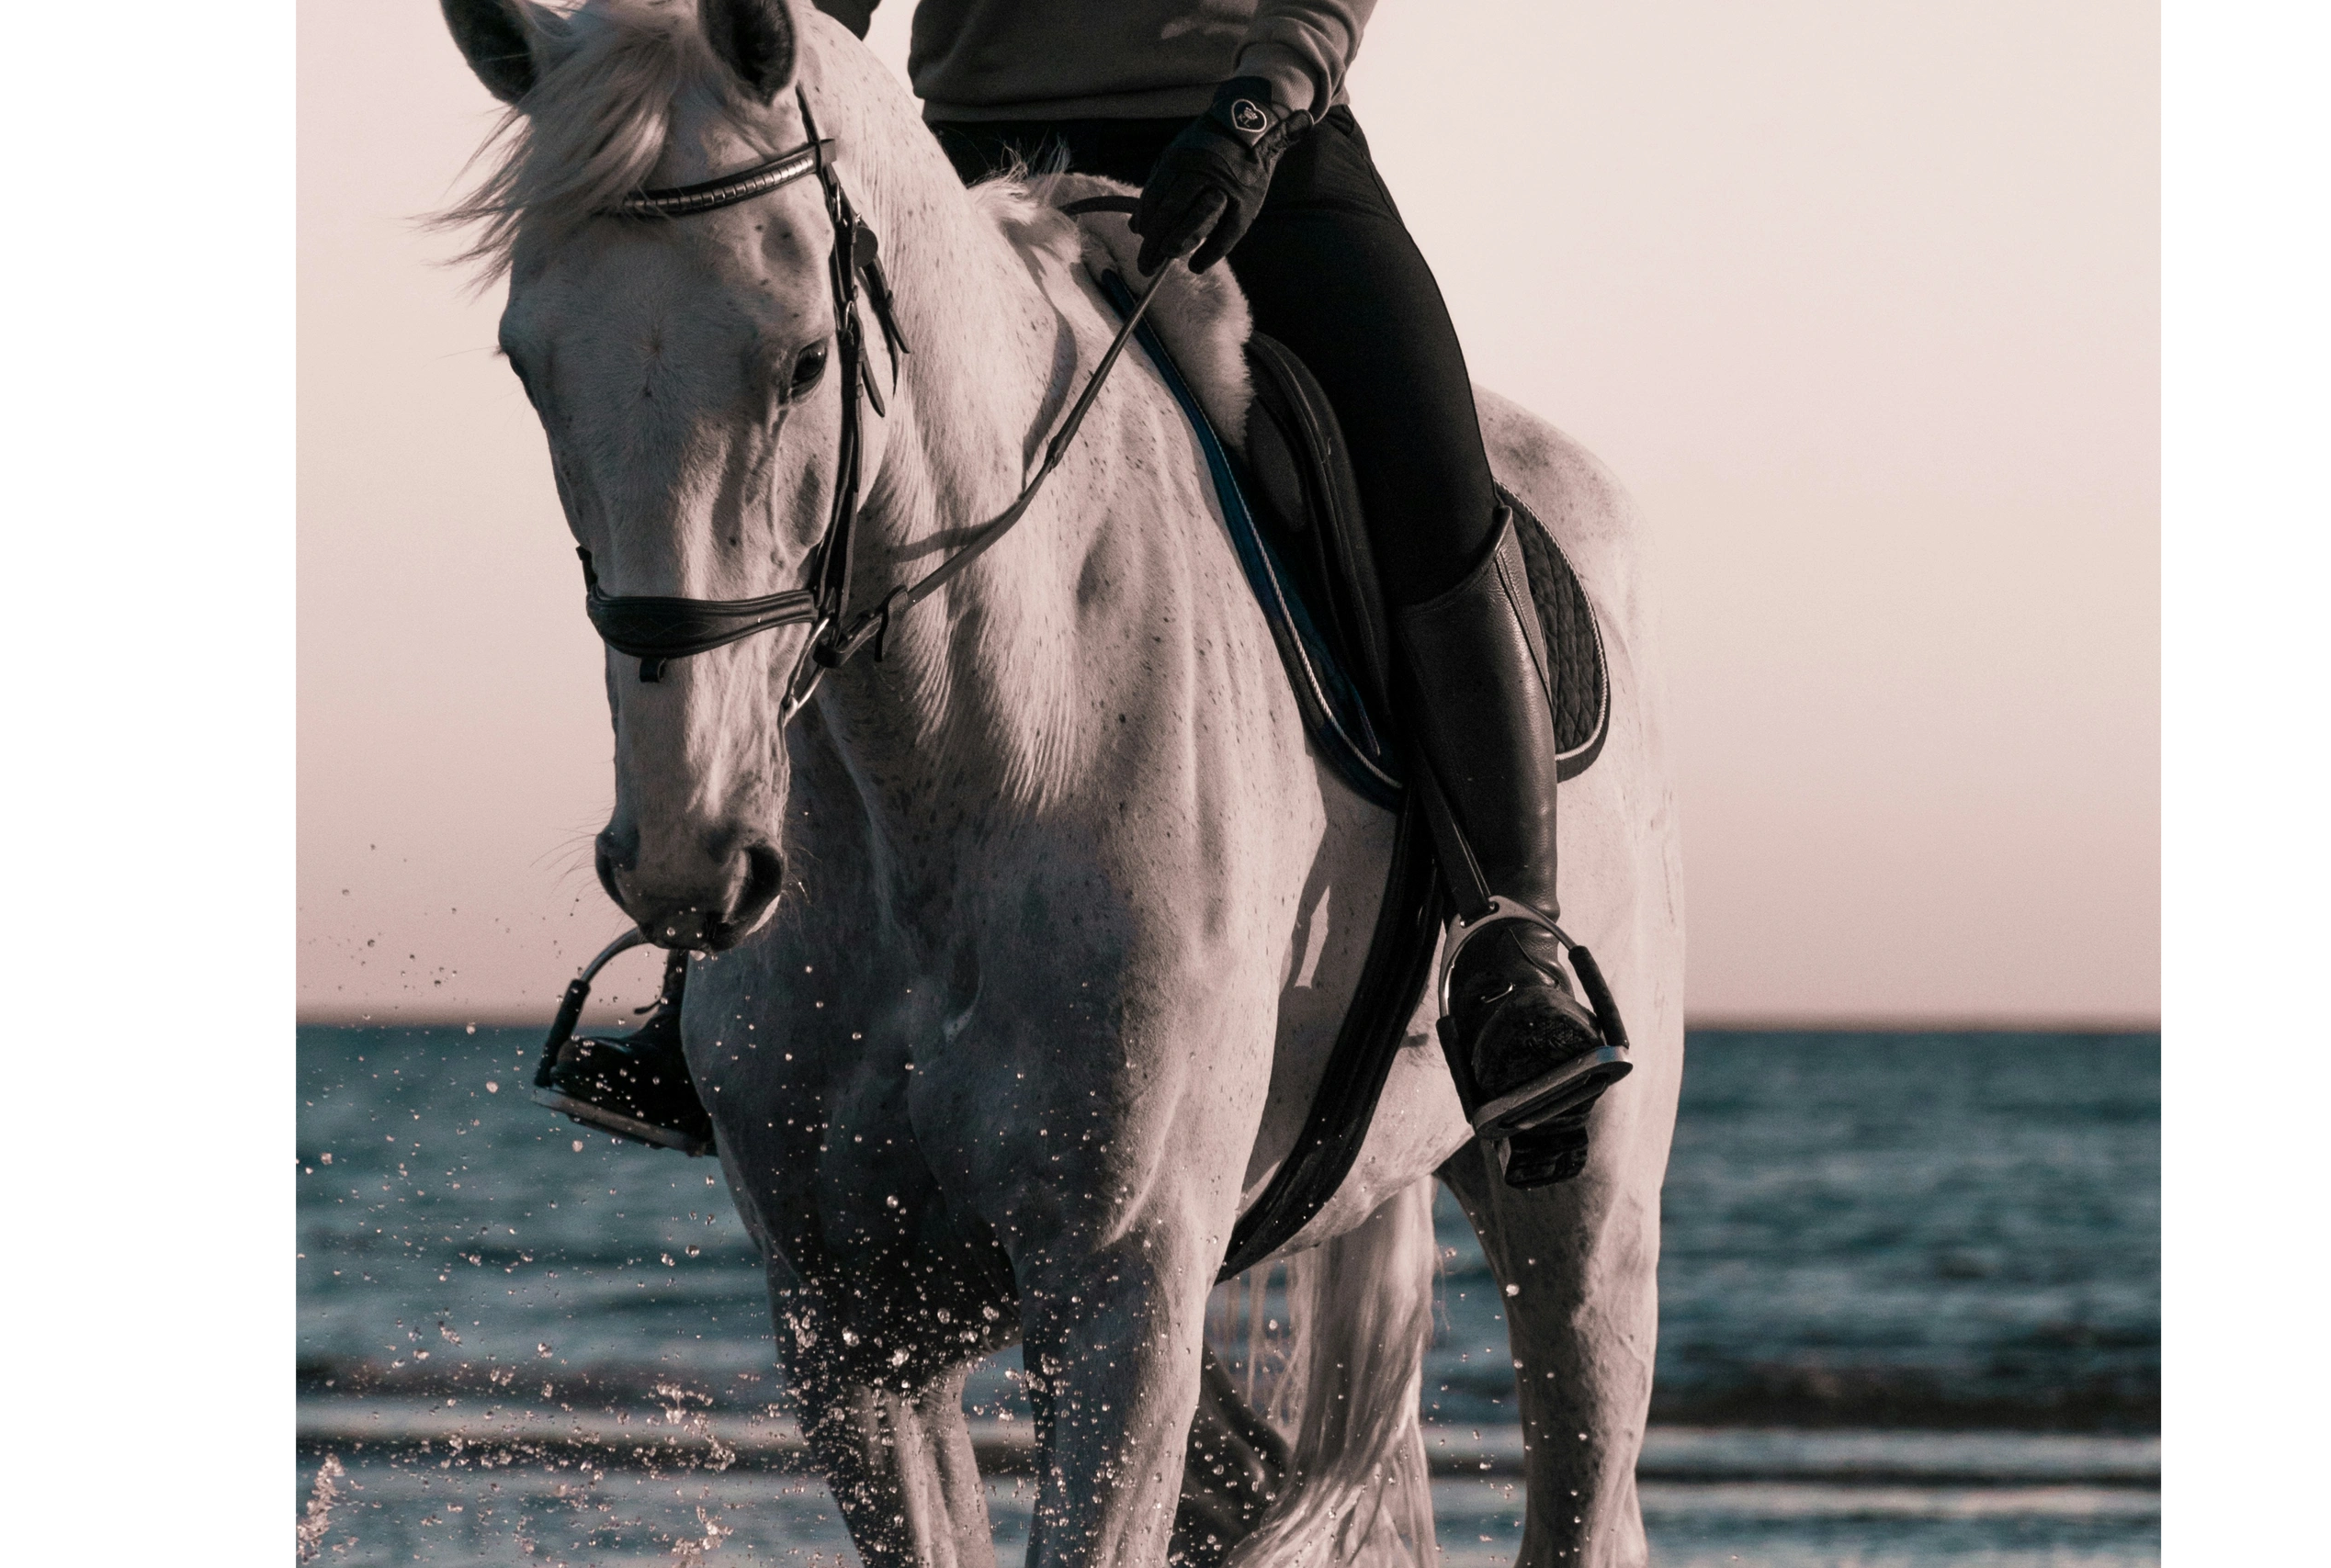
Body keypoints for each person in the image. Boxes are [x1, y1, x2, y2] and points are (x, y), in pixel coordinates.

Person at [543, 0, 1618, 1188]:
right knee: (793, 448)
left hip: (1242, 141)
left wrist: (1258, 106)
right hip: (954, 158)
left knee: (1429, 476)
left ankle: (1513, 943)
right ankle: (713, 974)